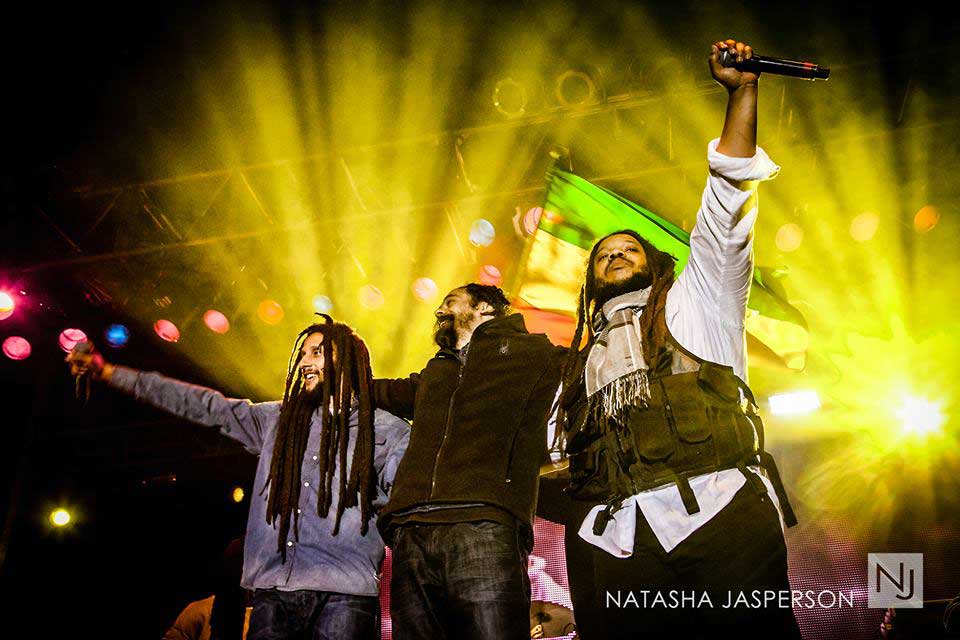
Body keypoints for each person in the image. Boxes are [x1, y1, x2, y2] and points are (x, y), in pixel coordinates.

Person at [556, 39, 801, 639]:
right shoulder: (576, 366)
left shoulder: (697, 302)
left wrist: (743, 92)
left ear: (655, 263)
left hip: (721, 518)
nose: (616, 255)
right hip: (621, 543)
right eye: (604, 255)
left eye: (629, 248)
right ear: (590, 282)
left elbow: (725, 208)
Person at [66, 316, 410, 640]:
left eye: (317, 353)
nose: (305, 362)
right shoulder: (277, 421)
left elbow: (409, 513)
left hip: (346, 593)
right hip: (274, 589)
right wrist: (110, 373)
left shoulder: (387, 431)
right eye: (303, 354)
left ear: (347, 362)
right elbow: (202, 404)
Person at [372, 283, 566, 640]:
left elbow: (590, 368)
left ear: (484, 308)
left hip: (484, 522)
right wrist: (337, 373)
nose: (439, 311)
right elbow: (380, 391)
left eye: (450, 302)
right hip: (412, 529)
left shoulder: (532, 352)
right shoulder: (437, 371)